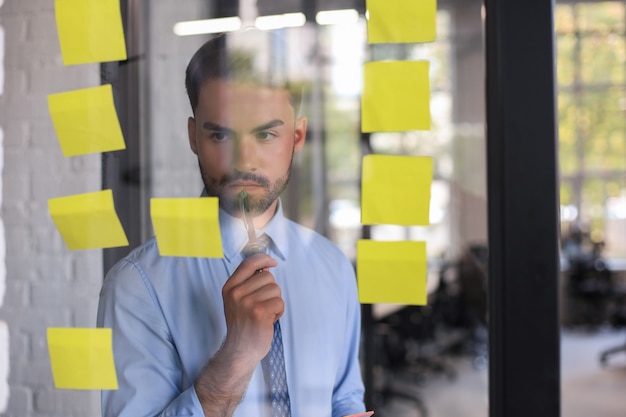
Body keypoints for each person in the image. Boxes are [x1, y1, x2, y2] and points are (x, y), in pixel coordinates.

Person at [97, 32, 366, 417]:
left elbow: (344, 400)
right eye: (220, 134)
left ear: (298, 135)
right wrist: (236, 357)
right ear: (194, 137)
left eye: (266, 134)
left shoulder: (333, 266)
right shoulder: (137, 286)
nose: (243, 159)